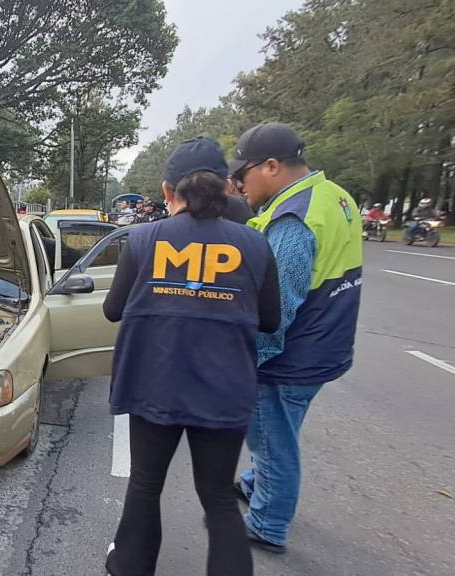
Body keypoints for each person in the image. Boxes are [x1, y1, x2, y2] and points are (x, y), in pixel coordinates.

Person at [103, 137, 281, 576]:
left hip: (153, 383)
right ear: (226, 186)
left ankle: (129, 566)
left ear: (168, 191)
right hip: (225, 389)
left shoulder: (143, 239)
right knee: (218, 498)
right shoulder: (255, 244)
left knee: (146, 484)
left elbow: (112, 310)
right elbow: (271, 320)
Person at [229, 122, 363, 552]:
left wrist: (248, 361)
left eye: (242, 174)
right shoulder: (334, 197)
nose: (238, 185)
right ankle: (255, 484)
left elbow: (277, 309)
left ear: (271, 166)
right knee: (281, 430)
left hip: (291, 356)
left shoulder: (292, 218)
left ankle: (267, 522)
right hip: (327, 343)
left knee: (271, 440)